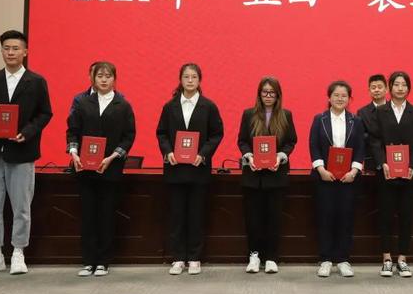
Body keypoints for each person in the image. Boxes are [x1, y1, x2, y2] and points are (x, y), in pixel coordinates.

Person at [0, 30, 53, 276]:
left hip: (22, 151)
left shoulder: (36, 81)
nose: (11, 52)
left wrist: (27, 133)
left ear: (25, 52)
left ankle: (18, 252)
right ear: (1, 51)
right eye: (6, 48)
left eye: (15, 48)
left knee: (21, 207)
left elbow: (45, 113)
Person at [67, 62, 135, 277]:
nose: (104, 80)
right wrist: (74, 152)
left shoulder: (122, 105)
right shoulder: (82, 102)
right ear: (92, 78)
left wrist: (112, 157)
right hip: (84, 168)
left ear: (114, 78)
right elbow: (72, 131)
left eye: (108, 76)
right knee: (88, 215)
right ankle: (88, 261)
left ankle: (103, 262)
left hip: (110, 169)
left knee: (106, 215)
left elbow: (129, 136)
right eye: (100, 76)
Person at [156, 63, 223, 275]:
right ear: (180, 80)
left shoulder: (208, 106)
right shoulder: (170, 106)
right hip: (175, 170)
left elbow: (217, 134)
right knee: (177, 216)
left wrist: (203, 153)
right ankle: (178, 258)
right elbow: (161, 133)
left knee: (196, 215)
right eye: (186, 77)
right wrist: (168, 151)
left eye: (194, 77)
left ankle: (194, 258)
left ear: (199, 80)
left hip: (198, 170)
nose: (190, 80)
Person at [237, 76, 298, 274]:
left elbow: (291, 142)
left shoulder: (286, 115)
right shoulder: (249, 114)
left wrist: (281, 156)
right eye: (265, 92)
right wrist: (249, 156)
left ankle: (272, 257)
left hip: (276, 175)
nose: (268, 96)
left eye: (272, 92)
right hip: (253, 176)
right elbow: (242, 141)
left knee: (274, 218)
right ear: (259, 94)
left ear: (278, 95)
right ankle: (254, 256)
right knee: (253, 219)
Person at [369, 71, 413, 278]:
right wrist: (382, 162)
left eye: (404, 85)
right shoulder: (380, 111)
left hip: (409, 173)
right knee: (385, 215)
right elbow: (374, 140)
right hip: (386, 173)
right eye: (396, 84)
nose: (400, 88)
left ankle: (402, 259)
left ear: (409, 88)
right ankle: (386, 258)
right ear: (390, 88)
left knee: (406, 215)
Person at [308, 81, 366, 277]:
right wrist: (321, 170)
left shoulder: (356, 121)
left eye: (344, 96)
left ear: (349, 99)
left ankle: (343, 260)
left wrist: (354, 172)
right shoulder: (320, 119)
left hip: (348, 179)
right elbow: (314, 145)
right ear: (329, 97)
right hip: (325, 178)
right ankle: (325, 259)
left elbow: (360, 148)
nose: (340, 99)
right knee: (325, 217)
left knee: (345, 218)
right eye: (336, 95)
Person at [356, 74, 388, 173]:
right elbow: (362, 136)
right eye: (373, 88)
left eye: (380, 87)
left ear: (386, 89)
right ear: (369, 91)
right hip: (372, 161)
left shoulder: (394, 109)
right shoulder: (362, 112)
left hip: (393, 159)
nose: (376, 90)